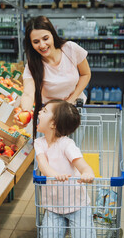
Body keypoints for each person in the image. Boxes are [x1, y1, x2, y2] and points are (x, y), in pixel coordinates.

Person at [16, 15, 91, 139]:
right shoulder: (33, 64)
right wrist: (25, 111)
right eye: (36, 42)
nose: (42, 45)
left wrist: (71, 100)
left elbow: (85, 74)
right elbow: (29, 93)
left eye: (45, 38)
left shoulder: (70, 49)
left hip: (73, 113)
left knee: (70, 153)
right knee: (48, 156)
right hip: (48, 117)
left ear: (52, 34)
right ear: (31, 44)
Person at [34, 99, 95, 238]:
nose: (39, 112)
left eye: (44, 111)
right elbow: (43, 165)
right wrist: (55, 175)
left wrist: (87, 174)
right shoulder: (39, 143)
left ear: (53, 123)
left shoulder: (67, 144)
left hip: (77, 205)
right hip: (53, 206)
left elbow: (83, 166)